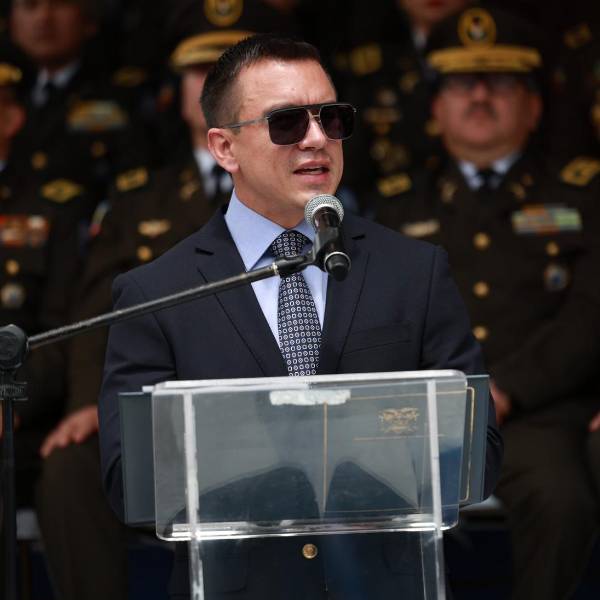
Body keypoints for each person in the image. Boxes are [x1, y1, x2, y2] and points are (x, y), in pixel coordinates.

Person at [98, 33, 502, 599]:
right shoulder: (157, 292)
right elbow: (130, 481)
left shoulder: (415, 270)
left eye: (331, 119)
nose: (316, 138)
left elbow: (479, 454)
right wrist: (298, 459)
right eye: (286, 123)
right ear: (224, 147)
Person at [34, 5, 298, 600]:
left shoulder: (304, 186)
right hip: (162, 408)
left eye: (236, 71)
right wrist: (90, 403)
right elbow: (95, 314)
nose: (217, 85)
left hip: (274, 407)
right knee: (71, 468)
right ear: (179, 93)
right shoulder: (138, 200)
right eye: (202, 71)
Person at [374, 6, 600, 600]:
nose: (479, 96)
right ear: (435, 109)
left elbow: (589, 314)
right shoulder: (396, 205)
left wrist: (507, 390)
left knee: (561, 500)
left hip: (533, 415)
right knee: (353, 499)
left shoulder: (580, 195)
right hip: (417, 417)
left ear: (535, 107)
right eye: (461, 83)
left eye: (500, 82)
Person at [0, 50, 90, 592]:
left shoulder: (52, 205)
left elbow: (61, 331)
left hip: (18, 412)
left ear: (11, 118)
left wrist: (8, 404)